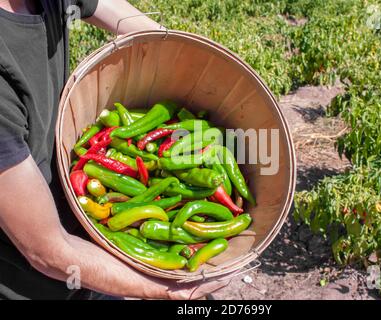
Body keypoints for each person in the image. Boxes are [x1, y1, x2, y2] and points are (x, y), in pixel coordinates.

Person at [0, 0, 227, 300]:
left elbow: (105, 6)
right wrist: (168, 290)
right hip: (35, 284)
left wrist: (179, 51)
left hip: (89, 236)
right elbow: (47, 250)